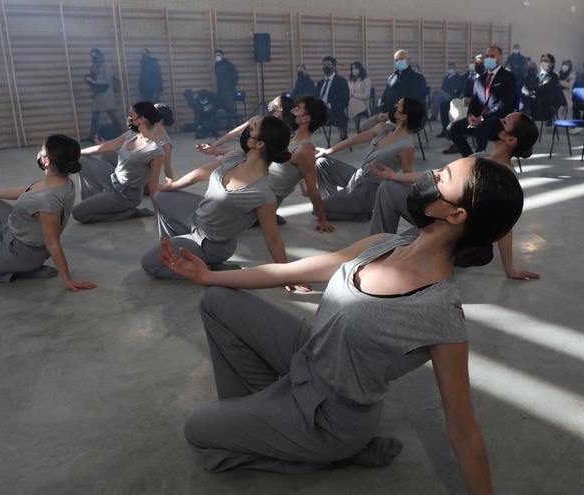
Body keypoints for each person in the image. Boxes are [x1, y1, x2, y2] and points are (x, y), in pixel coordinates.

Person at [156, 155, 525, 495]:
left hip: (330, 416)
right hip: (309, 353)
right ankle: (260, 413)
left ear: (457, 215)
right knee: (217, 300)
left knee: (199, 430)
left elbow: (463, 429)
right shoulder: (386, 243)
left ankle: (326, 452)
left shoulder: (440, 312)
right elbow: (293, 270)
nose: (429, 175)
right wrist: (208, 276)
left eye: (442, 177)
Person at [369, 111, 540, 281]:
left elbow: (505, 228)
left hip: (451, 230)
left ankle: (382, 255)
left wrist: (510, 269)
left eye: (504, 122)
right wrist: (394, 176)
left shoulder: (505, 178)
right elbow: (438, 173)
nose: (494, 121)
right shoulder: (479, 157)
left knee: (401, 249)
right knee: (389, 187)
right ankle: (374, 250)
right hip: (439, 211)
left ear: (510, 140)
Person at [140, 116, 295, 279]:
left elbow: (273, 239)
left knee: (149, 264)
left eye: (252, 128)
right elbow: (200, 173)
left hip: (211, 244)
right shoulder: (236, 156)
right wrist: (172, 185)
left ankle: (207, 267)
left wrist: (287, 276)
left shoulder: (262, 193)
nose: (245, 130)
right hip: (197, 218)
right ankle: (179, 250)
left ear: (259, 143)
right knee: (161, 196)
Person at [0, 134, 95, 290]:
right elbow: (27, 191)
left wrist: (67, 280)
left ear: (47, 161)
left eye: (41, 151)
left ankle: (18, 270)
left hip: (22, 251)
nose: (39, 154)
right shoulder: (62, 182)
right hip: (17, 230)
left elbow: (53, 243)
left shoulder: (48, 201)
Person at [314, 97, 424, 221]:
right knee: (321, 162)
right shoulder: (384, 128)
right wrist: (327, 151)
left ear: (403, 117)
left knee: (318, 210)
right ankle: (338, 201)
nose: (394, 106)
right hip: (357, 177)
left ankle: (362, 213)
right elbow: (355, 139)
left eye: (398, 106)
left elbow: (407, 177)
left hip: (368, 192)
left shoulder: (406, 147)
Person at [73, 101, 165, 223]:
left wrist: (158, 215)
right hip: (113, 179)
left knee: (78, 214)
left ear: (142, 119)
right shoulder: (131, 135)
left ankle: (127, 213)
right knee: (82, 160)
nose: (129, 117)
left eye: (131, 115)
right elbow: (103, 148)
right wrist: (75, 152)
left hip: (126, 195)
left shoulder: (155, 150)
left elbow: (153, 186)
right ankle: (95, 201)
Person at [269, 97, 334, 232]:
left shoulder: (304, 150)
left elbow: (312, 189)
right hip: (259, 190)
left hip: (263, 199)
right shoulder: (292, 139)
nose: (292, 112)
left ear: (305, 119)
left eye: (297, 109)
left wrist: (322, 220)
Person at [445, 46, 517, 157]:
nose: (488, 59)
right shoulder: (480, 80)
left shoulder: (508, 77)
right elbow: (474, 102)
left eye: (492, 56)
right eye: (487, 56)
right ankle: (470, 158)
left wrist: (482, 118)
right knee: (452, 128)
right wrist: (470, 116)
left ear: (500, 58)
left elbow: (504, 105)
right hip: (480, 119)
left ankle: (480, 158)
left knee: (481, 128)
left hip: (499, 119)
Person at [195, 95, 295, 156]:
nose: (271, 103)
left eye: (274, 102)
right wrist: (214, 145)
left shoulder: (286, 131)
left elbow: (249, 151)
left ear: (281, 108)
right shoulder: (258, 119)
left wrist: (217, 151)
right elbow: (233, 133)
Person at [360, 50, 427, 132]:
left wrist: (391, 114)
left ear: (408, 60)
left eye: (401, 59)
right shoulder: (391, 77)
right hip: (386, 114)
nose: (399, 62)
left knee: (379, 134)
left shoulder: (417, 78)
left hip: (404, 118)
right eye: (396, 60)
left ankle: (384, 142)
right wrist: (381, 112)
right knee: (363, 126)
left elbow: (413, 102)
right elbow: (384, 98)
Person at [83, 48, 121, 142]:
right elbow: (92, 80)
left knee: (111, 115)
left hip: (106, 95)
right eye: (93, 56)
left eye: (96, 56)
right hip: (97, 95)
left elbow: (106, 81)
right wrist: (91, 88)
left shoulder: (106, 67)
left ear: (101, 56)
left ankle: (121, 134)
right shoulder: (92, 66)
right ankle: (92, 136)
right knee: (95, 117)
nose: (95, 58)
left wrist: (93, 81)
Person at [317, 56, 351, 141]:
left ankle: (343, 130)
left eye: (328, 65)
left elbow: (345, 101)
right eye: (324, 65)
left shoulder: (341, 81)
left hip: (333, 111)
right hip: (319, 109)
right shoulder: (320, 83)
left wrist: (328, 105)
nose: (325, 67)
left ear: (334, 67)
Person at [521, 54, 560, 122]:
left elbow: (541, 87)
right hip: (538, 101)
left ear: (551, 64)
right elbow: (530, 85)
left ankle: (526, 115)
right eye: (541, 61)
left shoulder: (553, 76)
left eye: (545, 61)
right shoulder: (539, 75)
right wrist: (528, 89)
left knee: (529, 100)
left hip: (547, 105)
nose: (543, 63)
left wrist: (530, 90)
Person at [431, 63, 466, 136]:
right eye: (449, 68)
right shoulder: (446, 77)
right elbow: (443, 87)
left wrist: (454, 95)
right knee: (438, 99)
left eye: (451, 68)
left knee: (435, 92)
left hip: (452, 96)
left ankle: (433, 116)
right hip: (444, 95)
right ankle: (444, 130)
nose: (450, 69)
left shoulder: (458, 77)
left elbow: (459, 89)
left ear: (455, 69)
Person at [348, 61, 372, 132]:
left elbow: (367, 95)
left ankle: (359, 128)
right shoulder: (350, 80)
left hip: (363, 103)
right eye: (352, 68)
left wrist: (355, 95)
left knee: (351, 105)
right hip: (352, 101)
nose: (354, 70)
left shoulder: (366, 80)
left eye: (355, 68)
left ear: (360, 69)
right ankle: (346, 128)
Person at [214, 49, 239, 113]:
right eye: (216, 55)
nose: (217, 57)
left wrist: (231, 85)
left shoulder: (228, 64)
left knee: (230, 106)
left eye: (218, 55)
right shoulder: (216, 65)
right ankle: (228, 122)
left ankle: (235, 121)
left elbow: (236, 76)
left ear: (222, 55)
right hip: (220, 90)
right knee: (223, 106)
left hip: (228, 90)